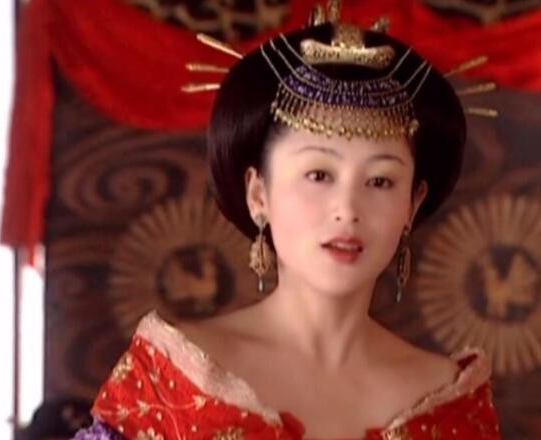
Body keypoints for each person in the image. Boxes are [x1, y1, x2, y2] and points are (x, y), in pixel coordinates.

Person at [75, 1, 501, 438]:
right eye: (319, 175)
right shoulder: (173, 385)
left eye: (380, 181)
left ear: (413, 203)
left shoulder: (449, 402)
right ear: (259, 194)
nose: (347, 208)